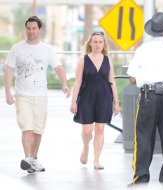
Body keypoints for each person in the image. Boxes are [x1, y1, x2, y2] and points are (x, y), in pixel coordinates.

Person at [4, 16, 71, 173]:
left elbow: (58, 67)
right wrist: (8, 92)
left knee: (37, 130)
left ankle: (33, 159)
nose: (31, 31)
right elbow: (9, 70)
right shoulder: (17, 48)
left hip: (41, 96)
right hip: (22, 95)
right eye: (28, 28)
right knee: (26, 127)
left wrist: (64, 84)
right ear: (25, 29)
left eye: (34, 28)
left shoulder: (47, 49)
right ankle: (28, 158)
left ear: (39, 30)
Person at [127, 12, 163, 185]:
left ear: (151, 30)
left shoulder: (142, 49)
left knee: (143, 137)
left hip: (148, 96)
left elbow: (131, 78)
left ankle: (141, 178)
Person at [70, 31, 120, 170]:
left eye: (100, 42)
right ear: (90, 43)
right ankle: (85, 147)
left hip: (104, 97)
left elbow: (112, 82)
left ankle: (96, 160)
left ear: (103, 44)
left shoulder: (107, 60)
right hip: (86, 97)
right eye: (95, 42)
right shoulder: (83, 60)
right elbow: (77, 82)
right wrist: (73, 101)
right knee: (87, 131)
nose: (98, 44)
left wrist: (116, 102)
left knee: (100, 128)